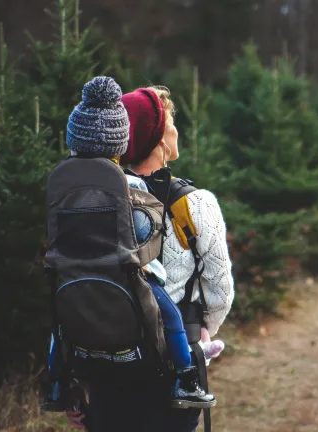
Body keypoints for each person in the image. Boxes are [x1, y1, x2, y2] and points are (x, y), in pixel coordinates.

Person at [65, 84, 235, 430]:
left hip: (107, 364)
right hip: (173, 370)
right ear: (159, 139)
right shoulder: (195, 203)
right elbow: (221, 290)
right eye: (171, 123)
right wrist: (199, 338)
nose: (176, 130)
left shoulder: (95, 201)